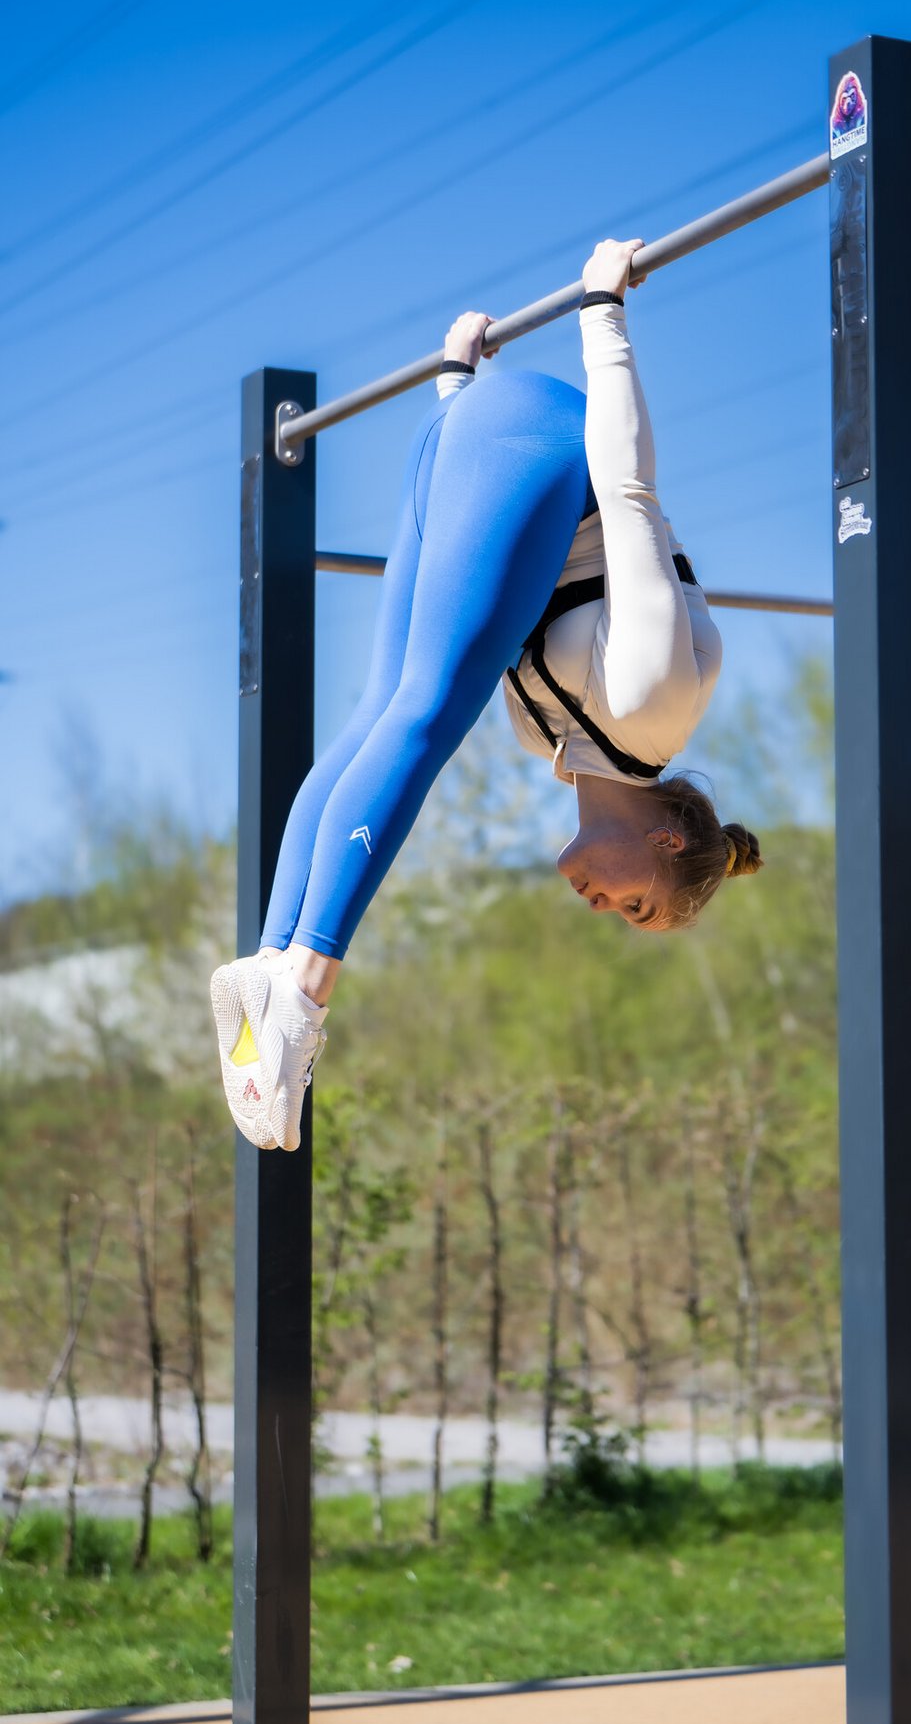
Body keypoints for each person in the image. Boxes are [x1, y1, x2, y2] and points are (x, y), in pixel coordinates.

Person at [210, 237, 762, 1153]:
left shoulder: (548, 743)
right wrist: (604, 313)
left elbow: (487, 577)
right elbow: (628, 493)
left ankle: (271, 957)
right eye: (636, 904)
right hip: (543, 441)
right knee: (420, 717)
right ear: (666, 836)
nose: (603, 909)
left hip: (468, 449)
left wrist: (454, 393)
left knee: (384, 715)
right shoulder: (659, 701)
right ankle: (305, 985)